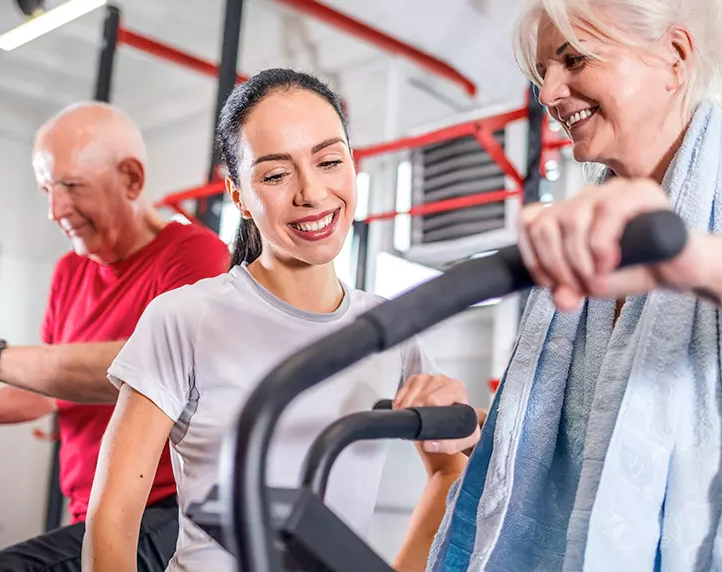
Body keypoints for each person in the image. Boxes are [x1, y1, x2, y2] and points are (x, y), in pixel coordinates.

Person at [426, 0, 722, 571]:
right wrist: (492, 440)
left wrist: (686, 255)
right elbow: (605, 445)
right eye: (542, 73)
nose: (549, 93)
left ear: (675, 57)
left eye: (573, 59)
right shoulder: (590, 233)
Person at [81, 68, 479, 572]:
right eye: (275, 175)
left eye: (330, 161)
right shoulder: (184, 317)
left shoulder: (391, 329)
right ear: (240, 196)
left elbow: (450, 473)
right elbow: (113, 518)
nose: (312, 193)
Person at [0, 102, 232, 571]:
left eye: (71, 186)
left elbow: (150, 369)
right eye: (47, 190)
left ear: (131, 179)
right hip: (100, 511)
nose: (55, 210)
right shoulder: (70, 273)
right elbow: (49, 390)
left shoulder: (196, 255)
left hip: (177, 511)